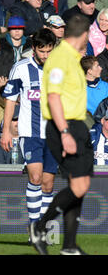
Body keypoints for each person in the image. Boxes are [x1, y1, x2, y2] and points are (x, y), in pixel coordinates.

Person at [29, 14, 93, 255]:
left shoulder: (72, 58)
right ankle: (41, 227)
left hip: (75, 125)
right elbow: (53, 96)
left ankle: (69, 247)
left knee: (80, 184)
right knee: (78, 186)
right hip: (63, 126)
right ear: (84, 35)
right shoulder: (60, 59)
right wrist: (64, 131)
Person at [1, 28, 58, 228]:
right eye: (42, 51)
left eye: (49, 50)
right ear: (34, 49)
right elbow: (9, 100)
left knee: (48, 184)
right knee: (35, 177)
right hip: (30, 133)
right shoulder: (21, 68)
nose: (45, 55)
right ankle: (35, 226)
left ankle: (45, 226)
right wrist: (6, 130)